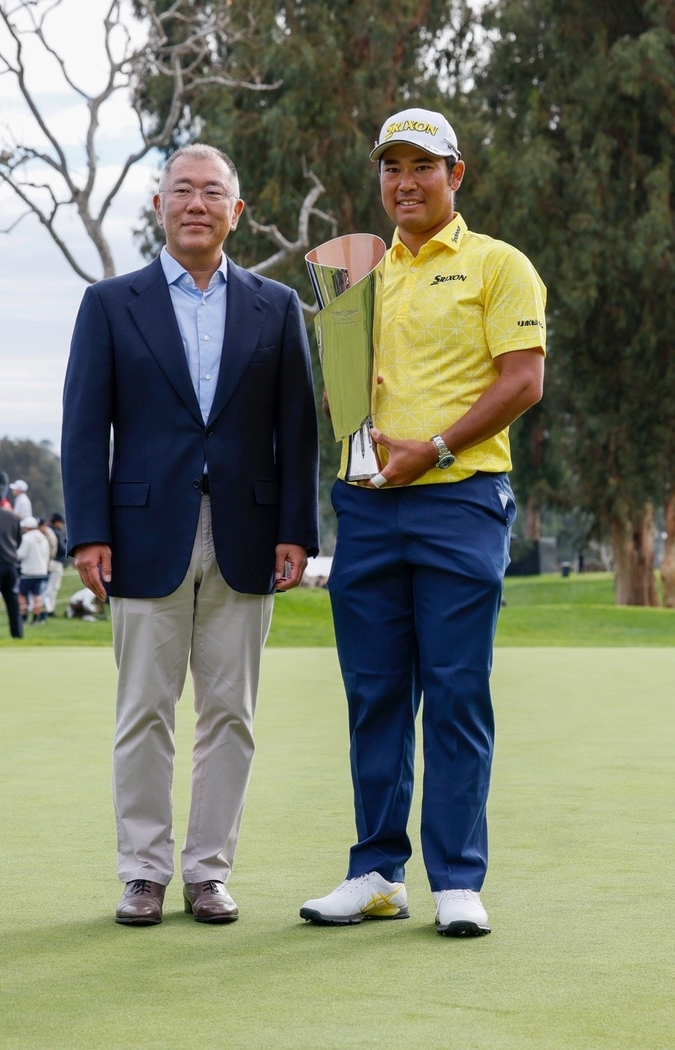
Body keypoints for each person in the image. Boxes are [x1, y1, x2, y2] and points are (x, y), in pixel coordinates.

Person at [300, 108, 546, 936]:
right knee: (373, 695)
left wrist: (434, 449)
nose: (404, 183)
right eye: (390, 168)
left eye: (422, 167)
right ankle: (375, 871)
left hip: (459, 500)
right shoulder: (357, 275)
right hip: (367, 504)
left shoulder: (498, 265)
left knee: (454, 694)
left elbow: (522, 382)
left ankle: (457, 880)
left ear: (457, 175)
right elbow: (343, 402)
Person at [61, 143, 319, 927]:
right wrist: (88, 533)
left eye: (213, 193)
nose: (197, 203)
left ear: (236, 211)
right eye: (183, 190)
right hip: (140, 537)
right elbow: (82, 428)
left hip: (248, 533)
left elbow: (297, 429)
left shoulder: (276, 306)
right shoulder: (109, 303)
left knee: (230, 713)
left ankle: (208, 872)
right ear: (158, 205)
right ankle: (142, 873)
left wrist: (296, 530)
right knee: (143, 710)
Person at [0, 501, 24, 639]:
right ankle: (17, 634)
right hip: (11, 563)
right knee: (13, 601)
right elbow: (19, 540)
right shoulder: (13, 516)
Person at [16, 516, 50, 624]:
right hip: (41, 571)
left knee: (22, 594)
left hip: (28, 572)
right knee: (37, 595)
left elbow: (21, 554)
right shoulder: (43, 537)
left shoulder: (27, 538)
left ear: (27, 527)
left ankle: (23, 617)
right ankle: (36, 618)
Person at [44, 513, 67, 616]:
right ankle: (49, 609)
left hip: (47, 562)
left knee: (47, 586)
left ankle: (46, 608)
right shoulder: (56, 532)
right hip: (56, 562)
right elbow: (62, 549)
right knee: (53, 587)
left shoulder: (47, 530)